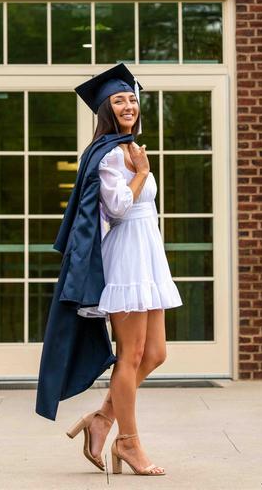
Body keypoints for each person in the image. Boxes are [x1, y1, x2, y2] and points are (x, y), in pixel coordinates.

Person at [64, 63, 183, 476]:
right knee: (130, 355)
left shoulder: (130, 147)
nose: (128, 105)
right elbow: (115, 208)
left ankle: (101, 419)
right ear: (106, 110)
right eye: (119, 100)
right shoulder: (109, 153)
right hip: (127, 256)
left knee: (156, 353)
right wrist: (143, 174)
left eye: (132, 98)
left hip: (148, 252)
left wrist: (141, 169)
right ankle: (129, 444)